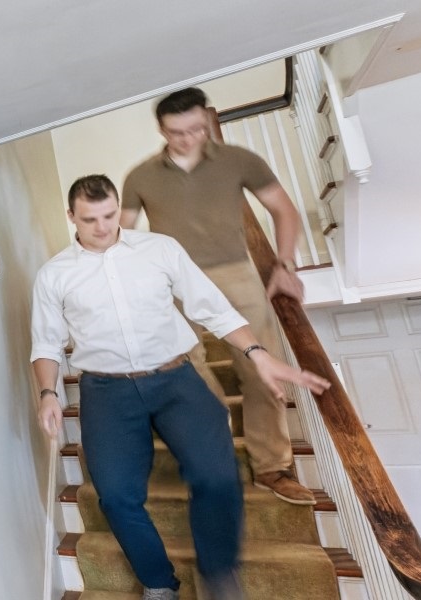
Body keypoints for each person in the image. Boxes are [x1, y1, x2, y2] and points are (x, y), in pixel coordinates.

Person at [32, 175, 330, 600]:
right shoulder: (54, 275)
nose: (102, 227)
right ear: (71, 217)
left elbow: (212, 308)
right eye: (89, 219)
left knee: (217, 477)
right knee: (116, 497)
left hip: (176, 379)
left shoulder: (160, 250)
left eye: (110, 215)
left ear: (118, 208)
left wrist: (258, 354)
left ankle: (218, 572)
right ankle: (159, 583)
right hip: (106, 392)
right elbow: (44, 342)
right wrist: (48, 393)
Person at [120, 86, 315, 506]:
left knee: (261, 366)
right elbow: (121, 237)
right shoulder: (140, 177)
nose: (188, 139)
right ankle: (213, 447)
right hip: (173, 281)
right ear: (161, 129)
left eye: (196, 129)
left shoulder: (239, 161)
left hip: (236, 273)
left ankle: (272, 467)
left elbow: (284, 209)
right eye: (177, 132)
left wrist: (284, 265)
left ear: (206, 121)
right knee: (185, 368)